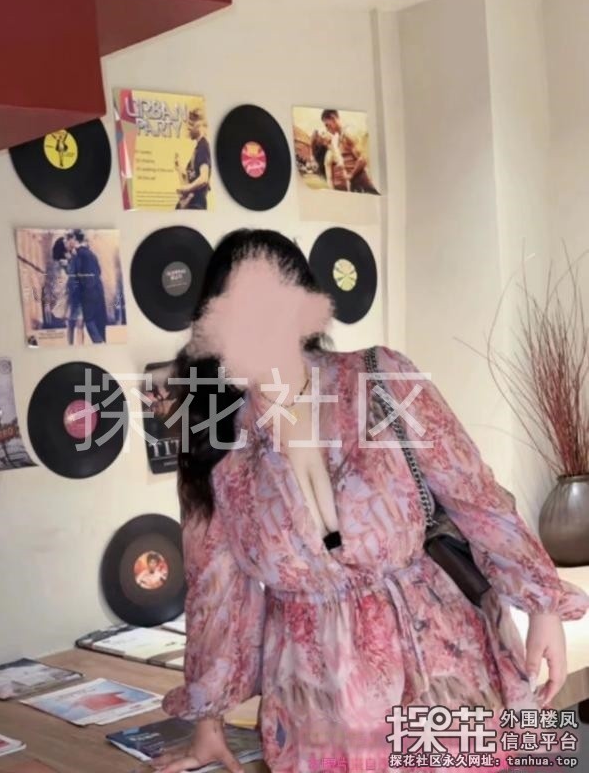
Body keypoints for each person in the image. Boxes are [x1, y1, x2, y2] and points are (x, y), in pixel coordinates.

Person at [148, 229, 589, 773]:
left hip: (435, 663)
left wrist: (542, 604)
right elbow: (216, 593)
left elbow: (474, 494)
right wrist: (208, 725)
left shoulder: (381, 378)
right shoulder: (216, 439)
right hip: (314, 701)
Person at [320, 109, 380, 194]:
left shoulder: (348, 133)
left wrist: (350, 175)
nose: (327, 129)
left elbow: (363, 159)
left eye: (327, 125)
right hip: (355, 186)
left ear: (333, 118)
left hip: (363, 184)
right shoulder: (340, 138)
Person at [65, 230, 108, 343]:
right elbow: (98, 271)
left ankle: (100, 344)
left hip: (87, 294)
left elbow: (74, 277)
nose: (68, 242)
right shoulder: (91, 254)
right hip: (98, 292)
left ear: (74, 239)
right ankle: (102, 343)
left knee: (90, 322)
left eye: (69, 239)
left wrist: (74, 294)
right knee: (98, 323)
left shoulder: (78, 255)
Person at [174, 107, 212, 209]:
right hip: (191, 205)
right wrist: (179, 168)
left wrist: (186, 189)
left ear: (199, 125)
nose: (188, 129)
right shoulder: (198, 148)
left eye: (190, 125)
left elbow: (204, 179)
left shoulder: (203, 146)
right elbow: (189, 178)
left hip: (196, 206)